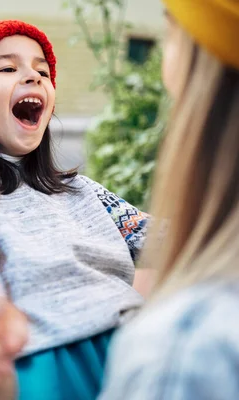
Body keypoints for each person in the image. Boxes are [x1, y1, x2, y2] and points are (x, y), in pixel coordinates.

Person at [0, 20, 150, 400]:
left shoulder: (80, 189)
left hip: (133, 341)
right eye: (7, 68)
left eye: (43, 71)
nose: (33, 77)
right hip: (40, 348)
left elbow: (158, 236)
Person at [98, 0, 239, 398]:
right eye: (7, 68)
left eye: (169, 36)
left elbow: (139, 228)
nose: (35, 79)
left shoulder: (183, 349)